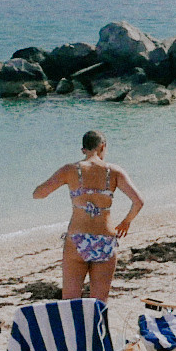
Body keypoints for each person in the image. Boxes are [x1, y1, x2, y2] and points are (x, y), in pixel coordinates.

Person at [32, 129, 144, 302]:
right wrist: (126, 222)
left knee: (70, 301)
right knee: (99, 303)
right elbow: (138, 201)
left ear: (83, 149)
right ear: (102, 147)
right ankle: (96, 329)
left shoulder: (70, 170)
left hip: (77, 239)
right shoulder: (114, 172)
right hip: (105, 239)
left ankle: (75, 330)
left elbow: (38, 194)